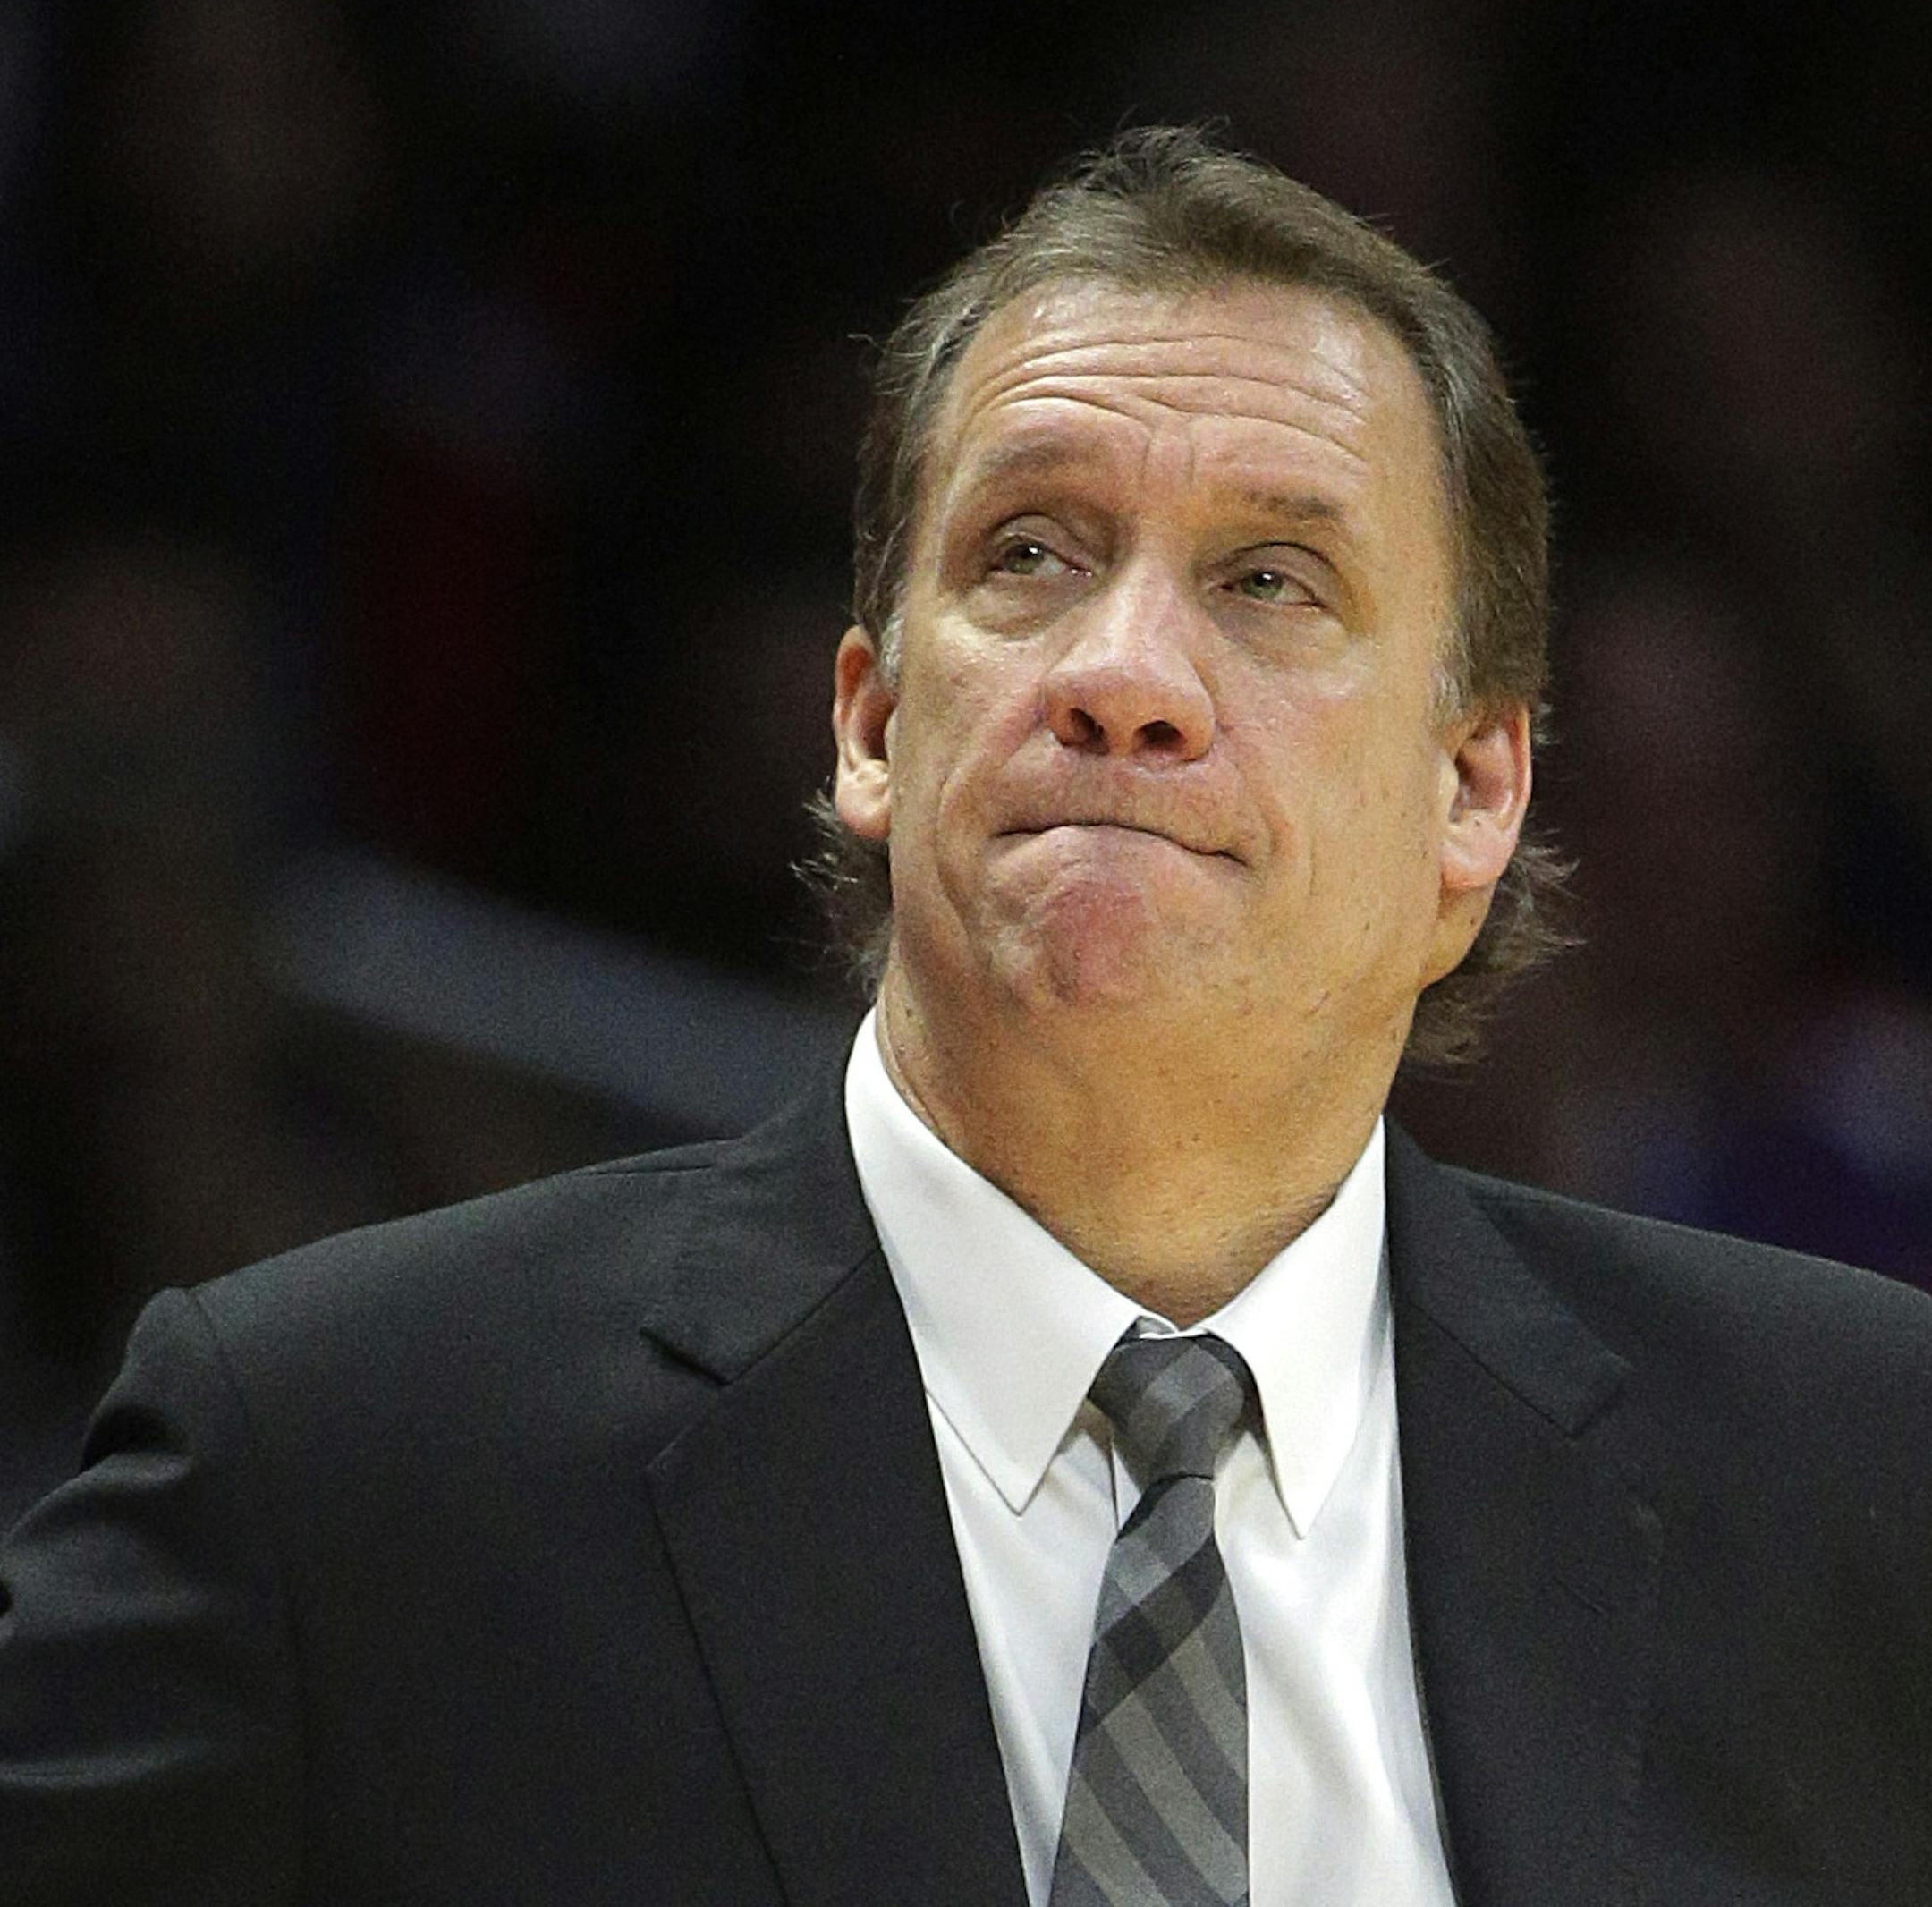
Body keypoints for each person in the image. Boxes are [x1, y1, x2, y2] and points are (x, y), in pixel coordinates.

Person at [3, 128, 1928, 1905]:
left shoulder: (1857, 1478)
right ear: (871, 723)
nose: (1123, 675)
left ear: (1475, 794)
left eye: (1273, 580)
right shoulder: (340, 1473)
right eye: (1032, 555)